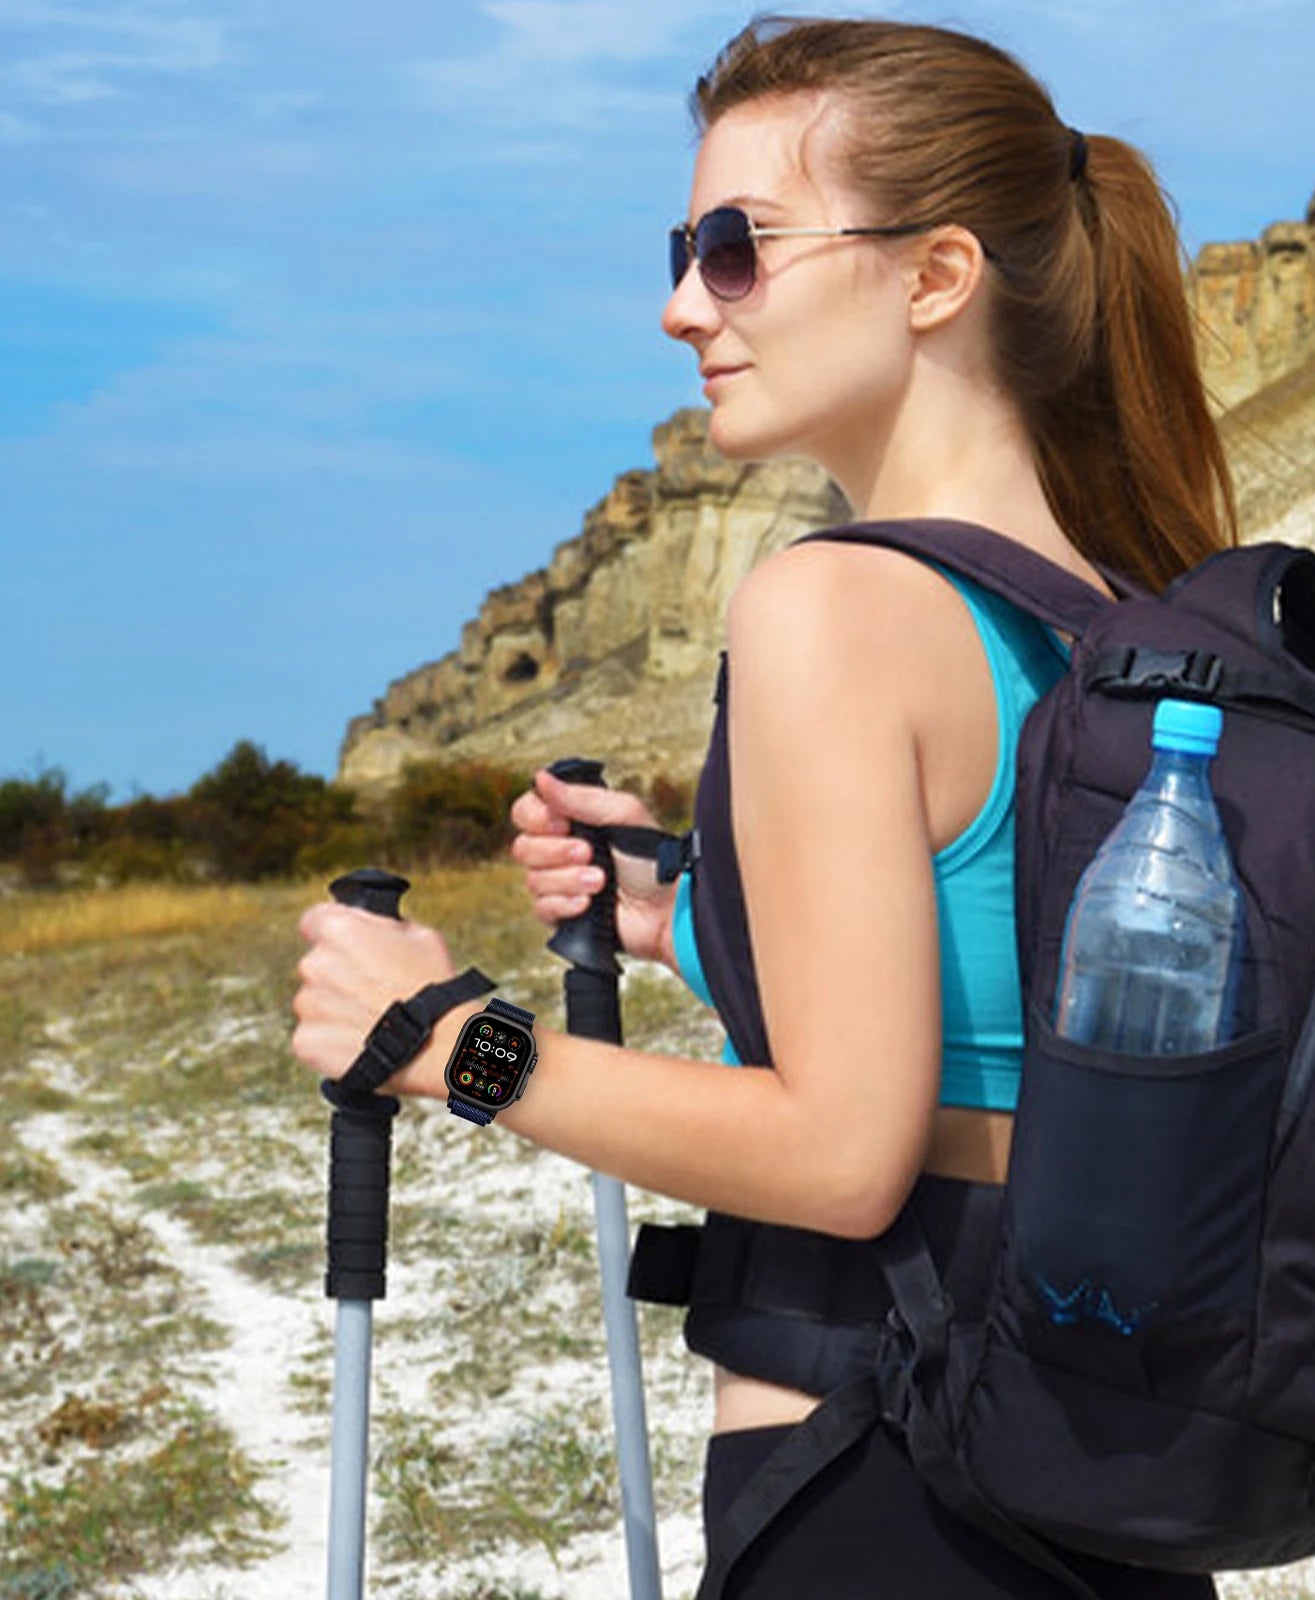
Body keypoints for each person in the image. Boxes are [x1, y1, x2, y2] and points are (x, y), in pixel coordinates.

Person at [292, 15, 1237, 1597]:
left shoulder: (831, 606)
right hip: (1096, 1470)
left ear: (935, 277)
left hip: (882, 1480)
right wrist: (701, 924)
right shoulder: (1116, 611)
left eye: (737, 250)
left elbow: (846, 1155)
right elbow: (1002, 1044)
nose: (681, 307)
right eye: (685, 248)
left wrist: (448, 1042)